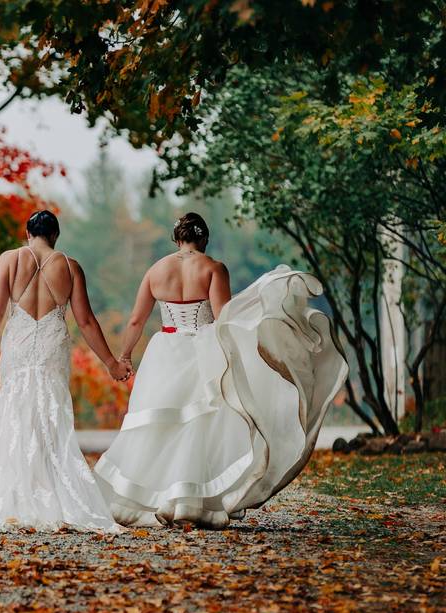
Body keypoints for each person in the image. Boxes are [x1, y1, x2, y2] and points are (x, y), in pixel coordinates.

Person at [94, 213, 348, 529]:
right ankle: (190, 502)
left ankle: (146, 499)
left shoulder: (156, 271)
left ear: (177, 239)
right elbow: (223, 318)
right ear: (204, 239)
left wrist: (125, 356)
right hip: (203, 349)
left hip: (165, 352)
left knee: (161, 423)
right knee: (200, 425)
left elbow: (135, 320)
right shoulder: (213, 269)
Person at [0, 210, 128, 533]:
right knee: (50, 415)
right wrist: (111, 363)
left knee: (14, 412)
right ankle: (52, 494)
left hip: (18, 345)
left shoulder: (10, 259)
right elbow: (86, 322)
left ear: (27, 232)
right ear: (55, 236)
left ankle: (16, 493)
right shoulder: (71, 268)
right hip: (51, 346)